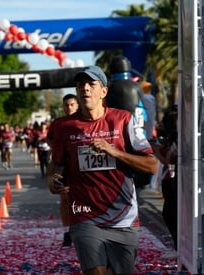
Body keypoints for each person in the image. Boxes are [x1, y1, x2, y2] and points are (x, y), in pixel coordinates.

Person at [46, 65, 158, 275]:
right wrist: (52, 179)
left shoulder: (122, 120)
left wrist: (114, 152)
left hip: (123, 216)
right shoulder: (63, 126)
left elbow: (151, 165)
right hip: (85, 215)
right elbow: (57, 162)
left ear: (103, 91)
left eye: (91, 84)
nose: (85, 89)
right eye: (80, 85)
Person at [47, 93, 80, 246]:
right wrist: (56, 148)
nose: (69, 107)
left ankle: (83, 228)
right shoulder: (58, 123)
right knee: (65, 198)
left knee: (83, 198)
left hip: (82, 166)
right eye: (66, 105)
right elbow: (49, 138)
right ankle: (68, 232)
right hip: (63, 166)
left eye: (72, 104)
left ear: (77, 105)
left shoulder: (83, 120)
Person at [150, 107, 178, 260]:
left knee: (170, 213)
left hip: (173, 178)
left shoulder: (177, 137)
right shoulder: (172, 136)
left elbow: (168, 161)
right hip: (169, 179)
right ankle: (178, 247)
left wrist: (157, 151)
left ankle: (178, 247)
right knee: (170, 213)